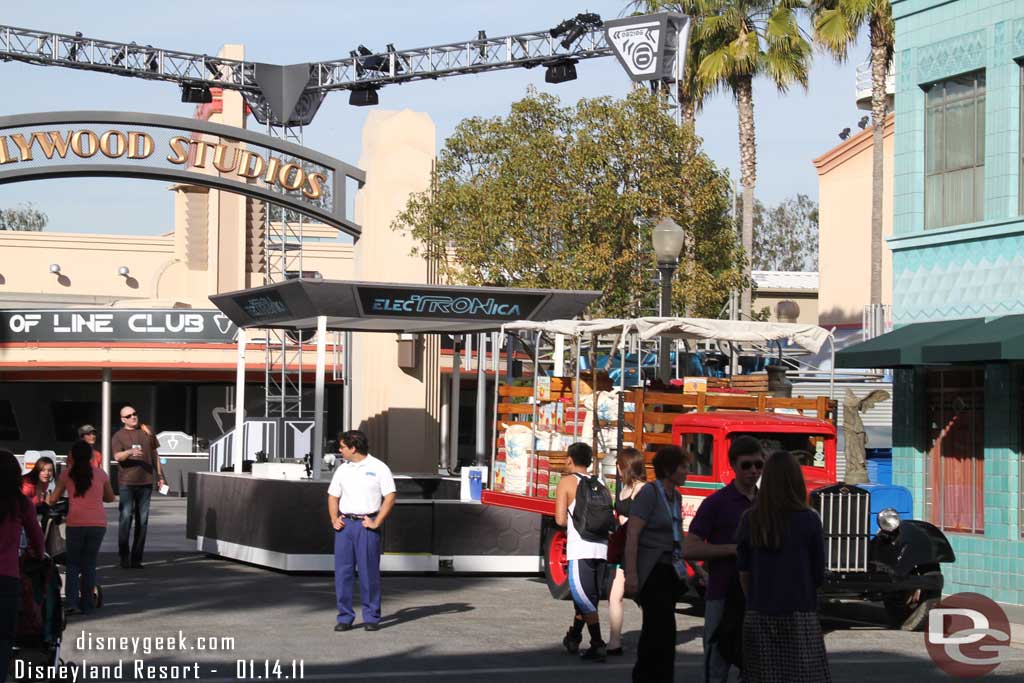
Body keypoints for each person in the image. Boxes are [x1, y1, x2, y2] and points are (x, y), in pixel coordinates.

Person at [736, 451, 829, 682]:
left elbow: (744, 572)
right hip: (800, 611)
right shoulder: (809, 519)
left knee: (763, 676)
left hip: (760, 611)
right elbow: (818, 574)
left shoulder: (750, 519)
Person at [686, 435, 763, 683]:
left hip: (760, 596)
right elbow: (690, 548)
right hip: (722, 592)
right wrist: (731, 550)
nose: (753, 471)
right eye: (746, 465)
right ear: (733, 465)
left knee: (756, 665)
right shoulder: (716, 503)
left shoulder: (768, 502)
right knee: (717, 661)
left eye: (758, 465)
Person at [624, 445, 689, 683]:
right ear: (670, 469)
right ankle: (647, 677)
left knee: (664, 629)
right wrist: (631, 574)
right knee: (657, 629)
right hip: (652, 570)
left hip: (670, 570)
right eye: (683, 467)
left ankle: (660, 676)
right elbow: (633, 534)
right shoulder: (650, 493)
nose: (687, 472)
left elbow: (678, 536)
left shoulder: (677, 496)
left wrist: (699, 569)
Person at [327, 430, 396, 632]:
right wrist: (333, 519)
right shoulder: (342, 470)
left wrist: (377, 522)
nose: (340, 451)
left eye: (342, 447)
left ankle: (371, 617)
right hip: (345, 526)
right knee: (343, 573)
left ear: (353, 448)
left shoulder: (379, 467)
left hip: (366, 525)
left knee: (368, 573)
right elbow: (333, 496)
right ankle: (345, 617)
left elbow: (390, 496)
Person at [554, 442, 609, 662]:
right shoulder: (601, 481)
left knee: (584, 598)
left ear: (569, 459)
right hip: (601, 546)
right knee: (587, 598)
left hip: (581, 547)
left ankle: (597, 643)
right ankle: (574, 637)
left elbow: (559, 519)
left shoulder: (566, 482)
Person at [47, 441, 114, 616]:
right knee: (89, 564)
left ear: (72, 456)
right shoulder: (101, 474)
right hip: (98, 523)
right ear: (91, 456)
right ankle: (88, 603)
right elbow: (110, 498)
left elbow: (54, 499)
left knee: (73, 564)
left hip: (75, 522)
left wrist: (47, 500)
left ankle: (71, 603)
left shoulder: (67, 474)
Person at [1, 450, 44, 683]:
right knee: (4, 637)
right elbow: (37, 538)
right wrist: (38, 554)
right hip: (7, 577)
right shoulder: (21, 503)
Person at [111, 404, 166, 569]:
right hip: (127, 483)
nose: (133, 417)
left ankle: (137, 558)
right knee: (126, 518)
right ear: (122, 419)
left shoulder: (146, 430)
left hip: (146, 482)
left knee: (142, 522)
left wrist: (161, 476)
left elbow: (156, 454)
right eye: (128, 416)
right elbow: (117, 456)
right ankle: (124, 556)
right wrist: (129, 452)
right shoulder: (118, 436)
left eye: (134, 414)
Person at [606, 447, 646, 656]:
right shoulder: (624, 489)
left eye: (619, 466)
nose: (617, 470)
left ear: (625, 467)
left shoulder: (642, 489)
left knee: (644, 596)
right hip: (623, 546)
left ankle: (651, 638)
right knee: (615, 595)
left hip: (639, 548)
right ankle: (614, 641)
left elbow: (643, 520)